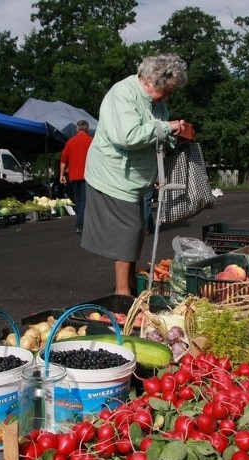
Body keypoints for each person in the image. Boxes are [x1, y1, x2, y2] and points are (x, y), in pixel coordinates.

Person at [81, 54, 189, 296]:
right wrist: (167, 127)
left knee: (134, 231)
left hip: (133, 180)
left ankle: (129, 284)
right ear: (152, 80)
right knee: (128, 231)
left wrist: (175, 135)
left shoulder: (157, 104)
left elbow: (158, 134)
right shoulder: (122, 94)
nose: (168, 97)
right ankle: (122, 293)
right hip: (113, 175)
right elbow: (127, 136)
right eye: (167, 91)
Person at [60, 120, 93, 234]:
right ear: (87, 129)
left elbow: (63, 160)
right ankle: (80, 224)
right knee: (84, 200)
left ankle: (80, 222)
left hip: (73, 176)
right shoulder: (92, 141)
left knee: (78, 200)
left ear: (77, 129)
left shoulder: (70, 142)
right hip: (87, 175)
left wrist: (62, 174)